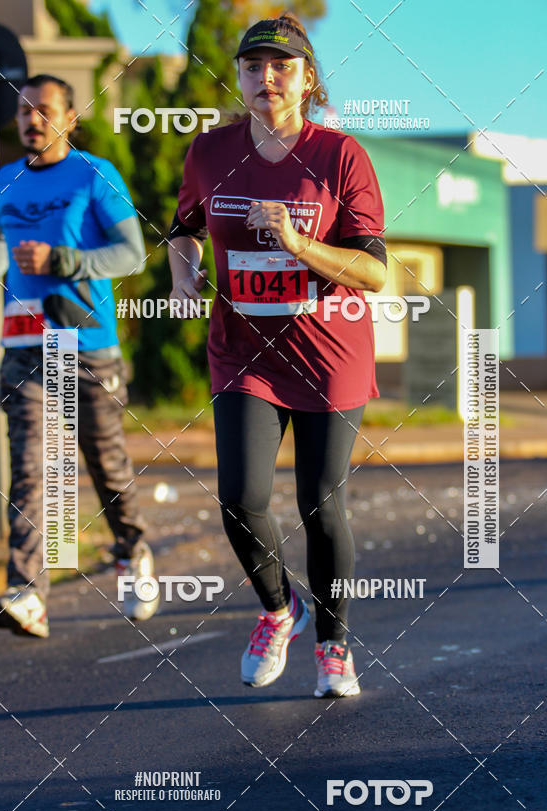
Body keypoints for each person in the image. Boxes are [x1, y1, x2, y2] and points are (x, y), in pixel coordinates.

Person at [168, 13, 387, 697]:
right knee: (240, 498)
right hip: (243, 352)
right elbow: (183, 229)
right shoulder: (209, 152)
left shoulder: (339, 155)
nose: (267, 77)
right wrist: (182, 273)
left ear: (308, 79)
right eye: (254, 66)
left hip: (329, 354)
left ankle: (333, 646)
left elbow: (376, 272)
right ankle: (276, 608)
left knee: (321, 503)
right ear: (237, 76)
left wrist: (298, 245)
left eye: (282, 66)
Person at [0, 74, 159, 638]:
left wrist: (63, 261)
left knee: (106, 465)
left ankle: (132, 550)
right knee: (32, 469)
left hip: (86, 344)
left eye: (45, 109)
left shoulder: (96, 175)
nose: (33, 119)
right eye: (25, 110)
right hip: (25, 343)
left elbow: (132, 255)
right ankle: (28, 592)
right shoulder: (4, 181)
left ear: (70, 118)